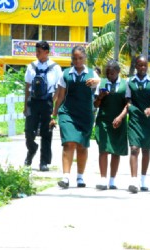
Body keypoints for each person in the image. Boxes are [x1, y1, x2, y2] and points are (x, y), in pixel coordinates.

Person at [50, 46, 100, 188]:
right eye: (74, 58)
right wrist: (54, 114)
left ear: (85, 58)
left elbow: (101, 89)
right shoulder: (65, 74)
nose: (77, 61)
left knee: (82, 145)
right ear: (71, 59)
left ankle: (80, 177)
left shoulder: (92, 74)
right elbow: (60, 97)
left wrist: (97, 82)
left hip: (85, 114)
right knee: (69, 142)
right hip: (67, 113)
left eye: (80, 58)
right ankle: (65, 177)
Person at [23, 41, 62, 171]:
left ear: (46, 52)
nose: (37, 53)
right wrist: (25, 106)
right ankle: (32, 149)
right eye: (36, 51)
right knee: (29, 131)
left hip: (47, 102)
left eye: (39, 51)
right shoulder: (31, 67)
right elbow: (27, 86)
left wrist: (53, 101)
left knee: (46, 132)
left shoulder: (55, 68)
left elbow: (59, 87)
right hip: (33, 102)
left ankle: (44, 162)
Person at [126, 55, 150, 193]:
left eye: (145, 65)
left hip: (148, 119)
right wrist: (130, 108)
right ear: (136, 66)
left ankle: (143, 179)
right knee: (134, 148)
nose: (142, 68)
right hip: (134, 118)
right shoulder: (129, 81)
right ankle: (134, 180)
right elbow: (128, 99)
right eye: (140, 65)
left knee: (146, 149)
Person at [94, 60, 128, 190]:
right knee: (103, 149)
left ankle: (112, 180)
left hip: (118, 121)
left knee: (116, 150)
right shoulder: (101, 84)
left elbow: (128, 104)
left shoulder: (125, 85)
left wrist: (120, 117)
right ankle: (103, 179)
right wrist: (100, 97)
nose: (109, 75)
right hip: (103, 120)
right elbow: (95, 105)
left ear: (118, 72)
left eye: (112, 73)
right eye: (107, 73)